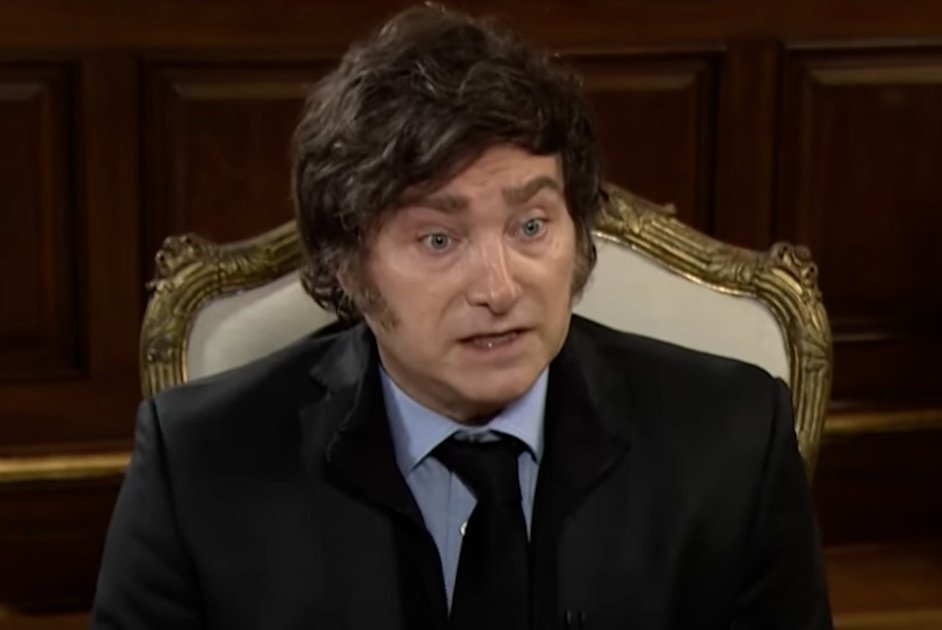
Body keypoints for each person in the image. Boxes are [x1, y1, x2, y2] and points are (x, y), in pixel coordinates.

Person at [89, 5, 832, 629]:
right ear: (347, 266)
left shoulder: (732, 441)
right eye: (439, 239)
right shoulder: (201, 466)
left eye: (531, 226)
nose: (499, 289)